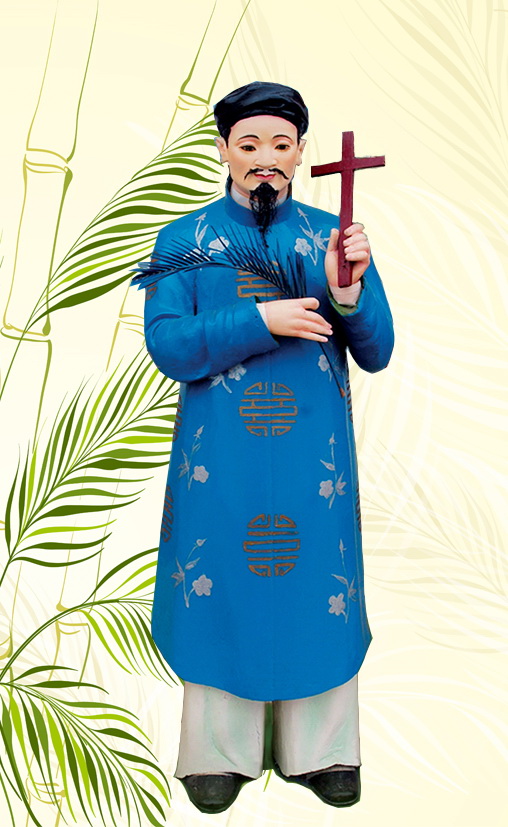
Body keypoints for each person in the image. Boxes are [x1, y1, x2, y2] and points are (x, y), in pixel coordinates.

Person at [141, 81, 394, 814]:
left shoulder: (330, 237)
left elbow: (377, 350)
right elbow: (168, 344)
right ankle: (218, 755)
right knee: (221, 582)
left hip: (317, 462)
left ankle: (324, 752)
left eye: (281, 144)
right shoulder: (185, 240)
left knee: (317, 590)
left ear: (300, 154)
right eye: (249, 144)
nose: (265, 159)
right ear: (223, 149)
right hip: (221, 460)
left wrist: (349, 294)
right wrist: (262, 320)